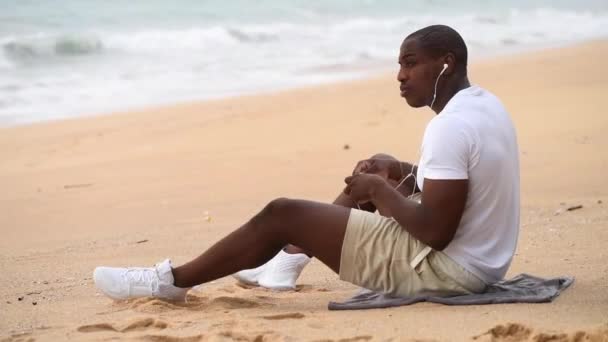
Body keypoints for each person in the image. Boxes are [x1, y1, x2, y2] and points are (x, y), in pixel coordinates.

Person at [93, 24, 520, 302]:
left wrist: (378, 192)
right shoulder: (484, 107)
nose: (400, 76)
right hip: (480, 260)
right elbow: (460, 188)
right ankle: (286, 262)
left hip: (448, 270)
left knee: (283, 213)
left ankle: (170, 281)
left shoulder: (448, 128)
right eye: (399, 65)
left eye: (411, 64)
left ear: (445, 62)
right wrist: (398, 172)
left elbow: (436, 232)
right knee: (376, 173)